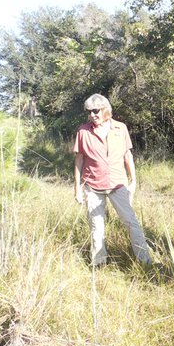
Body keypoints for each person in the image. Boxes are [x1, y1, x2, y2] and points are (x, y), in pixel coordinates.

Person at [73, 94, 152, 267]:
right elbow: (79, 160)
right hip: (92, 185)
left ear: (105, 110)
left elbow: (127, 155)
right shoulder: (83, 131)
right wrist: (77, 189)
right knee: (97, 226)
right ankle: (98, 263)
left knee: (131, 222)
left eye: (95, 111)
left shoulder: (120, 128)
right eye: (89, 112)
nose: (92, 115)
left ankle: (144, 261)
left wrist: (133, 180)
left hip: (117, 184)